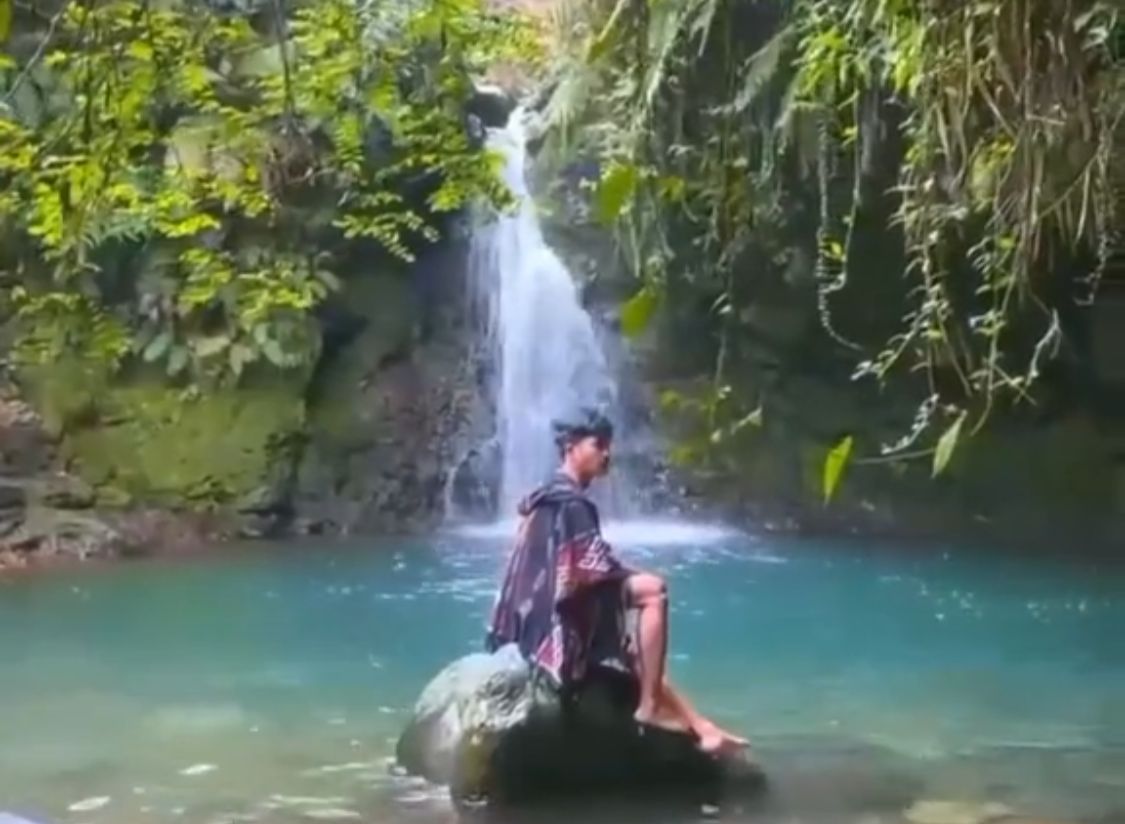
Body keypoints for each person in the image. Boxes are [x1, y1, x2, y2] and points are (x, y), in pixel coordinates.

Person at [485, 408, 748, 755]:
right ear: (571, 446)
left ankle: (703, 728)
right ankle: (652, 710)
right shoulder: (571, 502)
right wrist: (628, 576)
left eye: (609, 445)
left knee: (637, 648)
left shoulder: (544, 496)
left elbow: (553, 568)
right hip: (559, 626)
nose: (606, 454)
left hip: (537, 623)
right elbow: (591, 569)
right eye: (598, 444)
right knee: (654, 591)